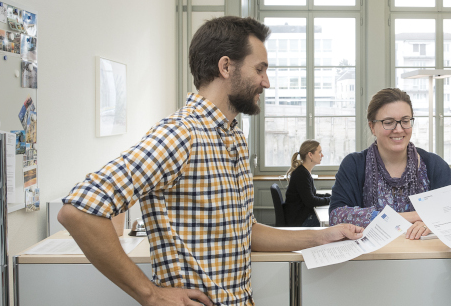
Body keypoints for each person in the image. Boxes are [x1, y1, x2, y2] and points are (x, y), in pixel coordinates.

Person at [57, 16, 363, 306]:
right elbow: (79, 211)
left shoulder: (234, 140)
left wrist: (322, 236)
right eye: (260, 69)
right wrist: (150, 295)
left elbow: (243, 232)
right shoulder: (181, 134)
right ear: (226, 67)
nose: (266, 82)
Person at [329, 88, 451, 240]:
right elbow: (337, 216)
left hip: (426, 259)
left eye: (405, 121)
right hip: (370, 259)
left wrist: (431, 223)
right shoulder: (353, 165)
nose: (399, 129)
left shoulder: (433, 164)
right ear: (372, 127)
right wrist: (419, 217)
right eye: (389, 122)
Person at [283, 140, 331, 227]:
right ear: (310, 155)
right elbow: (311, 201)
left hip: (301, 216)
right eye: (320, 152)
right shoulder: (301, 174)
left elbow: (312, 195)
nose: (322, 155)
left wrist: (329, 196)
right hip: (299, 221)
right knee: (332, 220)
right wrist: (330, 200)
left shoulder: (304, 172)